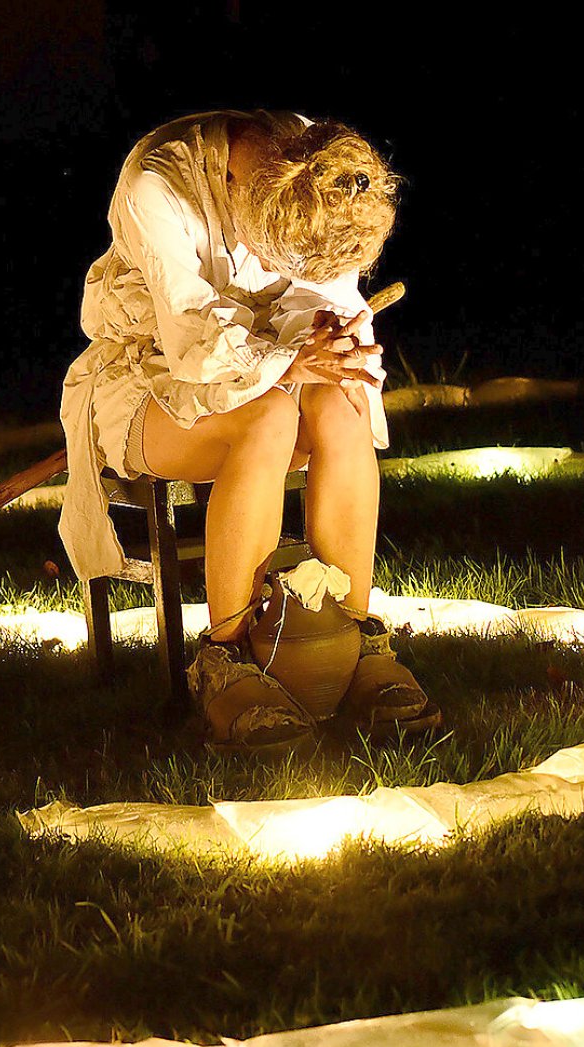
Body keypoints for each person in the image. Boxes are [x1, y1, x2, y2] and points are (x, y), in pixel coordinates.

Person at [58, 108, 439, 753]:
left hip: (277, 357)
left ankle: (355, 642)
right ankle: (225, 661)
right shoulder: (158, 186)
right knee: (266, 415)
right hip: (155, 373)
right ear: (243, 200)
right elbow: (188, 339)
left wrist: (328, 339)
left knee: (338, 410)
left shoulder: (320, 168)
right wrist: (284, 362)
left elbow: (328, 291)